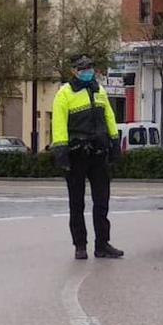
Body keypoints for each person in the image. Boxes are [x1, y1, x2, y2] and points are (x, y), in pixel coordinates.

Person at [51, 55, 124, 260]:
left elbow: (109, 117)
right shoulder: (64, 94)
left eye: (90, 67)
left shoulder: (98, 90)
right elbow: (58, 124)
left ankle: (102, 244)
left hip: (98, 153)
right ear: (74, 70)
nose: (88, 71)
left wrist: (115, 144)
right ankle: (80, 245)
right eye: (83, 68)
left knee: (102, 202)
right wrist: (61, 153)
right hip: (76, 154)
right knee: (77, 203)